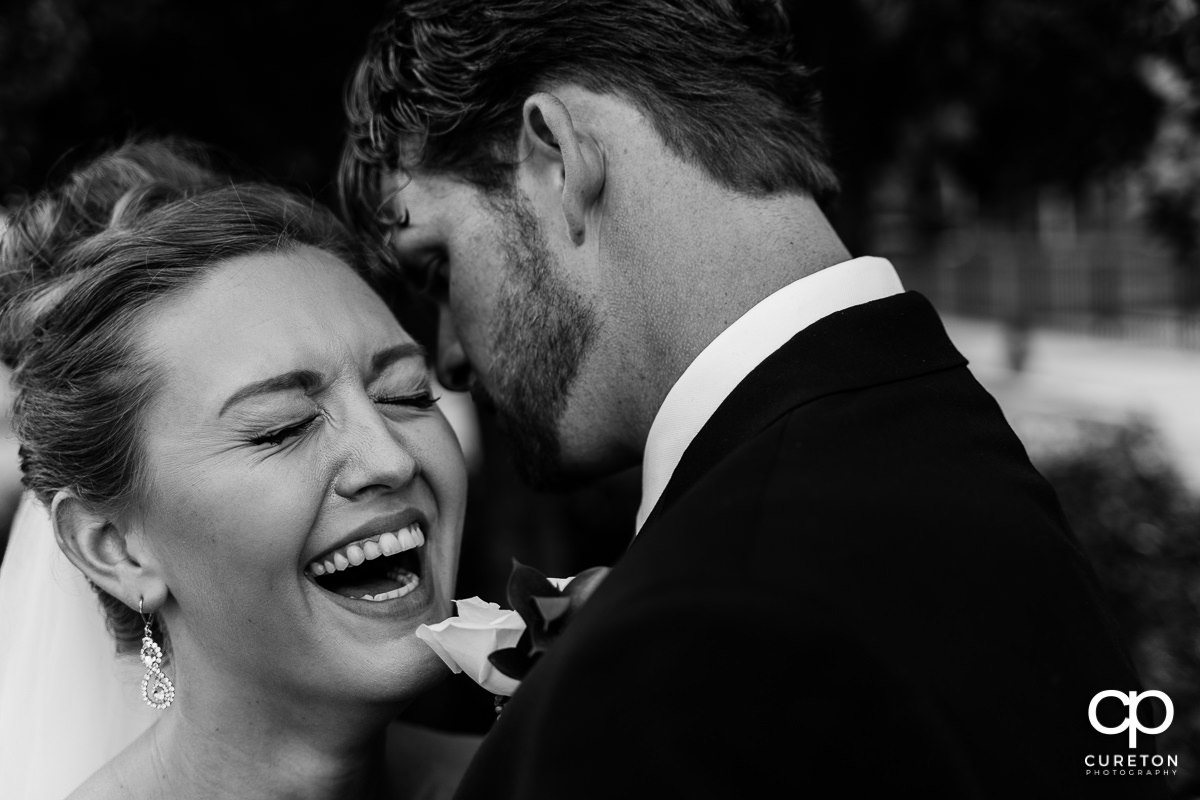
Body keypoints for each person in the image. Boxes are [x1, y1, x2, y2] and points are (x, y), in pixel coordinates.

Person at [339, 1, 1169, 797]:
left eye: (437, 267)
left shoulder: (685, 651)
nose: (447, 355)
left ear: (557, 155)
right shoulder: (950, 451)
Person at [0, 138, 479, 799]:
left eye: (407, 394)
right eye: (281, 427)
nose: (391, 458)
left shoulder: (557, 769)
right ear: (112, 547)